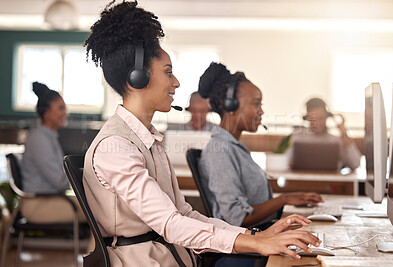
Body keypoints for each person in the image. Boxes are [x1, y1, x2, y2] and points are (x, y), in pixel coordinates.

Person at [83, 1, 320, 266]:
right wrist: (255, 242)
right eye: (168, 72)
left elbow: (183, 213)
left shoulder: (147, 139)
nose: (176, 83)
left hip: (173, 257)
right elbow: (170, 225)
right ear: (137, 78)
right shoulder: (115, 146)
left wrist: (255, 235)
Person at [198, 63, 323, 232]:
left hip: (259, 235)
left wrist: (288, 202)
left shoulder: (234, 147)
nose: (261, 111)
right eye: (256, 104)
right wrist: (283, 200)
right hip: (245, 247)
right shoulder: (220, 151)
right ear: (229, 105)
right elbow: (238, 218)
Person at [20, 82, 86, 224]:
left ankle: (93, 247)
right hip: (38, 205)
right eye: (61, 108)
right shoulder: (39, 139)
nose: (65, 113)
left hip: (50, 200)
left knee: (97, 209)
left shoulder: (48, 136)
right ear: (47, 112)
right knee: (98, 212)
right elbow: (59, 181)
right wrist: (86, 180)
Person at [291, 97, 361, 170]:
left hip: (331, 181)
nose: (317, 123)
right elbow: (284, 163)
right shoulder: (296, 138)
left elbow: (355, 163)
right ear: (306, 118)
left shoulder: (336, 140)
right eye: (313, 119)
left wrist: (343, 133)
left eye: (321, 118)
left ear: (327, 117)